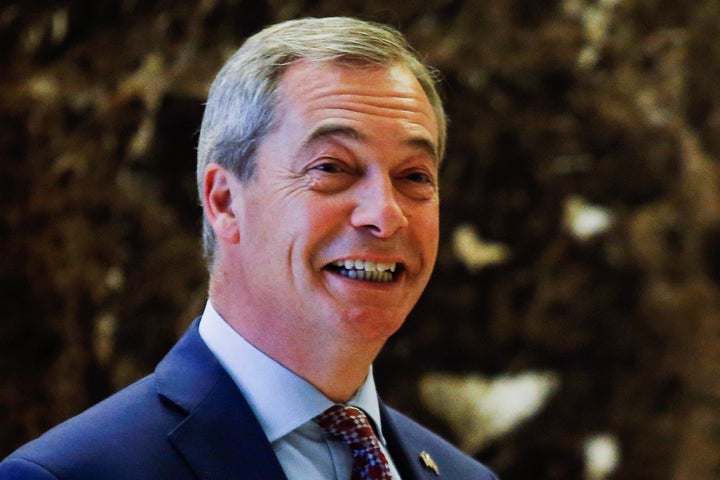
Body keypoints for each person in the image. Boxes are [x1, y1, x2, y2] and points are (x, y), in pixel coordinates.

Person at [0, 17, 499, 480]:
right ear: (224, 201)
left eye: (414, 176)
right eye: (331, 168)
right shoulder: (72, 474)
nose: (386, 214)